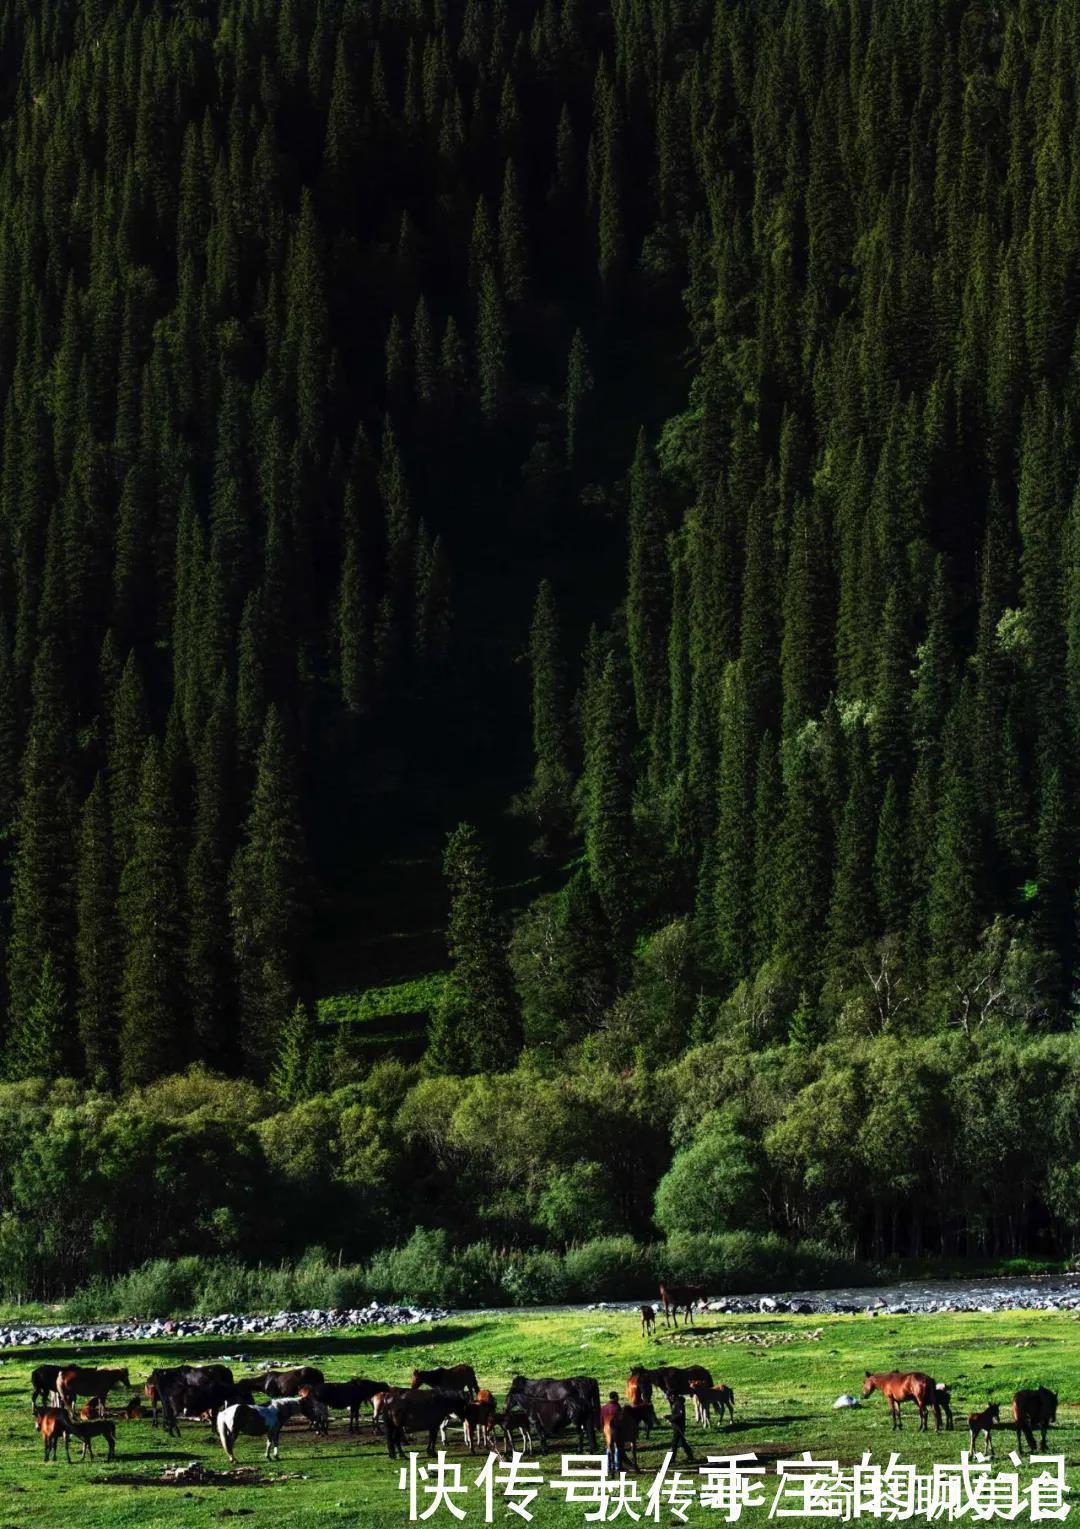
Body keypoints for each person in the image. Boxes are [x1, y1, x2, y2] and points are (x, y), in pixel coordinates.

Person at [667, 1390, 694, 1462]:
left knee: (674, 1443)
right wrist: (668, 1416)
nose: (670, 1398)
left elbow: (680, 1415)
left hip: (679, 1426)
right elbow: (676, 1414)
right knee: (682, 1442)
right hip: (676, 1426)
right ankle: (690, 1456)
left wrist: (671, 1419)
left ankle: (672, 1459)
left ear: (673, 1395)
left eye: (670, 1396)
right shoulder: (676, 1403)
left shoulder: (679, 1403)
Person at [600, 1390, 623, 1473]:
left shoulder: (603, 1408)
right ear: (615, 1397)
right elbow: (620, 1420)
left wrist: (603, 1429)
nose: (619, 1398)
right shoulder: (617, 1407)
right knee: (617, 1447)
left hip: (606, 1429)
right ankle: (617, 1466)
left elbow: (601, 1420)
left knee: (608, 1447)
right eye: (618, 1396)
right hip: (615, 1429)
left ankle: (608, 1466)